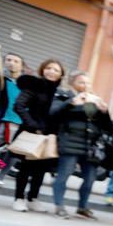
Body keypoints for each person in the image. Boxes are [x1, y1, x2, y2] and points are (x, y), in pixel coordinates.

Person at [49, 70, 113, 219]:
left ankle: (82, 207)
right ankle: (59, 205)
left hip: (91, 146)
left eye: (88, 83)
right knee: (63, 175)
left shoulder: (94, 100)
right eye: (82, 82)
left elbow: (108, 127)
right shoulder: (64, 95)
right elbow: (53, 114)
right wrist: (72, 103)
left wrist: (104, 112)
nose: (86, 86)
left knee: (90, 178)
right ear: (72, 83)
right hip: (70, 142)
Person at [12, 59, 66, 212]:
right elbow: (19, 106)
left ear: (61, 75)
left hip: (50, 136)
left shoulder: (60, 93)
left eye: (56, 70)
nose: (52, 71)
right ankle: (19, 198)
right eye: (49, 68)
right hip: (32, 132)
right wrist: (32, 124)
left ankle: (33, 198)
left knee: (41, 169)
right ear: (43, 70)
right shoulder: (34, 86)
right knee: (26, 168)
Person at [0, 52, 26, 187]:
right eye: (8, 60)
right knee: (0, 148)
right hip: (4, 119)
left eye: (15, 61)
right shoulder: (2, 79)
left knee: (14, 151)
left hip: (20, 121)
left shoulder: (27, 83)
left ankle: (1, 174)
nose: (11, 63)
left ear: (21, 65)